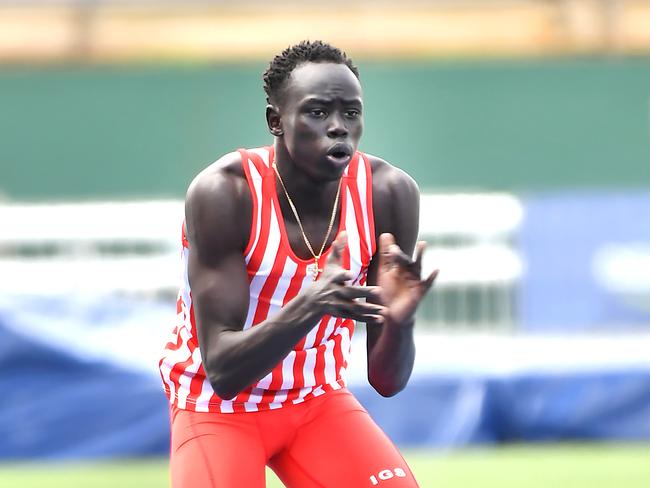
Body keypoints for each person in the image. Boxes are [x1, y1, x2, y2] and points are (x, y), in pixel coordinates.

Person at [159, 40, 438, 488]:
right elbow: (224, 371)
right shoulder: (226, 193)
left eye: (351, 113)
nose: (338, 129)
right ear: (276, 120)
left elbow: (387, 382)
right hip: (217, 408)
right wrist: (312, 303)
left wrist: (400, 322)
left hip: (315, 399)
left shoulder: (389, 193)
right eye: (317, 112)